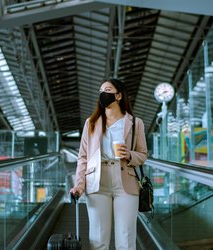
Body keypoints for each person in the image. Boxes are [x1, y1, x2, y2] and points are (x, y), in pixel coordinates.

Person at [70, 78, 148, 249]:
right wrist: (79, 185)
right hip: (97, 181)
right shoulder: (91, 123)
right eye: (101, 91)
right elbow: (83, 157)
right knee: (98, 239)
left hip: (125, 180)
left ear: (118, 95)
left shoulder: (135, 123)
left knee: (126, 238)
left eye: (107, 90)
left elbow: (143, 155)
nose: (102, 94)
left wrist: (129, 154)